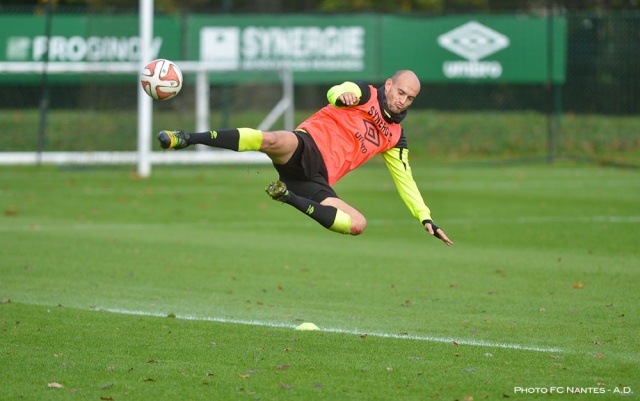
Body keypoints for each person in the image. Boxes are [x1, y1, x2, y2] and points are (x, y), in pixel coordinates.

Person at [157, 70, 453, 245]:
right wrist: (341, 97)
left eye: (410, 97)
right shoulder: (365, 93)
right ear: (388, 84)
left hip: (316, 181)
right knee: (273, 139)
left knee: (357, 224)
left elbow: (406, 180)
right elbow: (338, 91)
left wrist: (425, 216)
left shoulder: (395, 138)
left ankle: (288, 197)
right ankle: (187, 138)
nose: (402, 100)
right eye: (400, 91)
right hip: (306, 147)